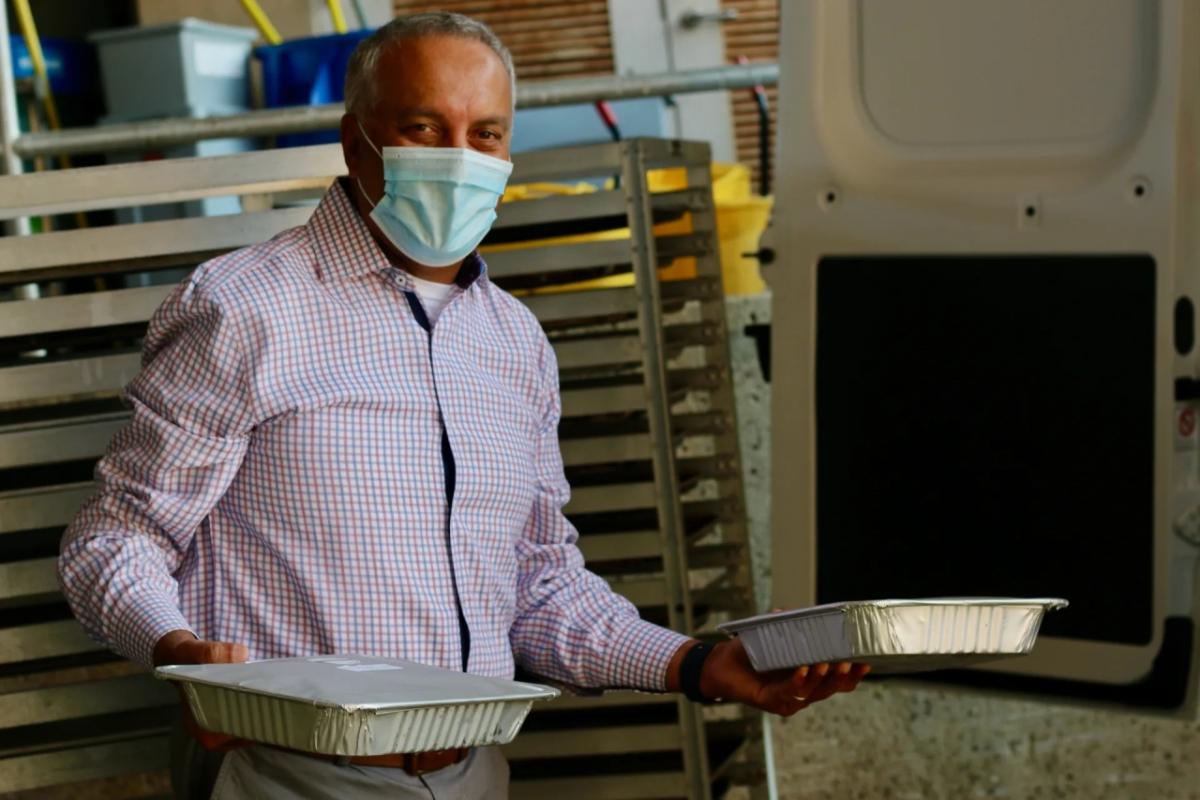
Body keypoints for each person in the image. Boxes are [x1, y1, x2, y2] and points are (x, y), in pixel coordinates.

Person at [57, 11, 868, 799]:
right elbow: (114, 540)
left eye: (484, 135)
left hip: (474, 773)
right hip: (288, 775)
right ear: (356, 141)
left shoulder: (513, 342)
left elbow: (541, 586)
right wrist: (180, 650)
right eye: (423, 128)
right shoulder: (246, 309)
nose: (459, 156)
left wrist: (698, 664)